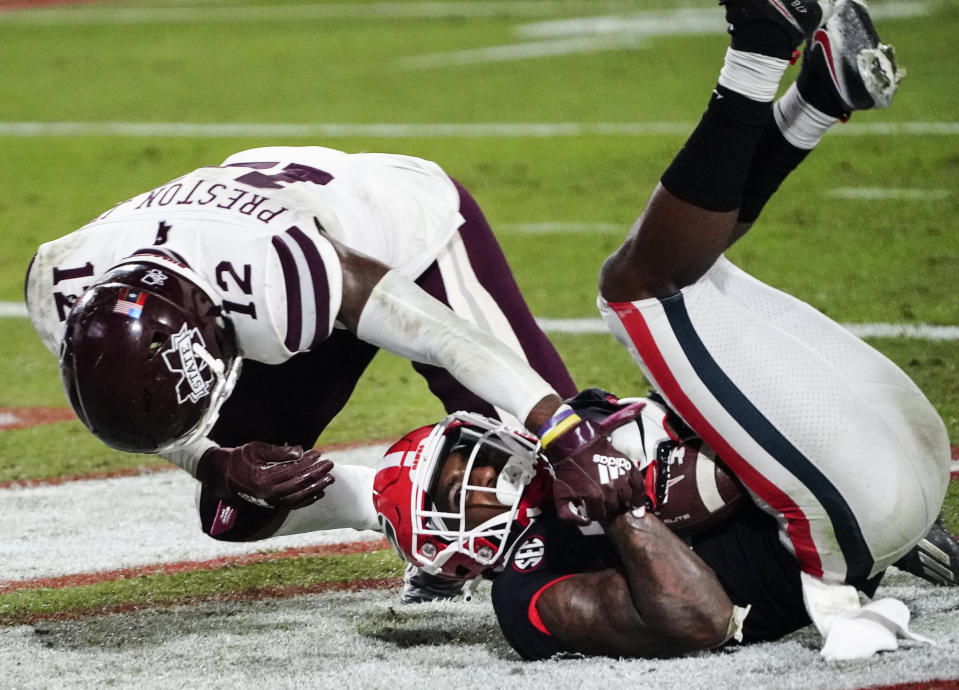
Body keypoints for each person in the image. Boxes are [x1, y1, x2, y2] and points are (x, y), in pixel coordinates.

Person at [373, 0, 956, 660]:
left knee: (678, 267)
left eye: (462, 454)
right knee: (631, 289)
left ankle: (816, 98)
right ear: (451, 548)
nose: (479, 469)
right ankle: (762, 49)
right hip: (836, 527)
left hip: (885, 466)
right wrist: (621, 512)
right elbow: (699, 621)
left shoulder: (580, 430)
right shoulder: (526, 593)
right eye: (455, 487)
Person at [25, 144, 582, 574]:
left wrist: (563, 428)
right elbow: (140, 413)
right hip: (263, 257)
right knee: (242, 503)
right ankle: (396, 505)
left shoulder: (278, 278)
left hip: (395, 228)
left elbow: (445, 336)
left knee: (553, 482)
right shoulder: (63, 289)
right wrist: (211, 461)